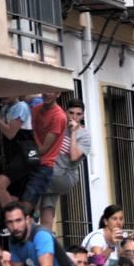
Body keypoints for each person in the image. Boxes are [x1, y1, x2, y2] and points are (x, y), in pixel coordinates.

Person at [41, 98, 90, 231]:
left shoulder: (84, 135)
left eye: (78, 114)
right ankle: (46, 236)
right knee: (48, 205)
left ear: (83, 115)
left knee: (35, 187)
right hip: (51, 172)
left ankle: (27, 214)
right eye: (71, 112)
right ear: (65, 112)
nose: (74, 117)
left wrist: (73, 132)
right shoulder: (59, 123)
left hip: (64, 175)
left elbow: (74, 157)